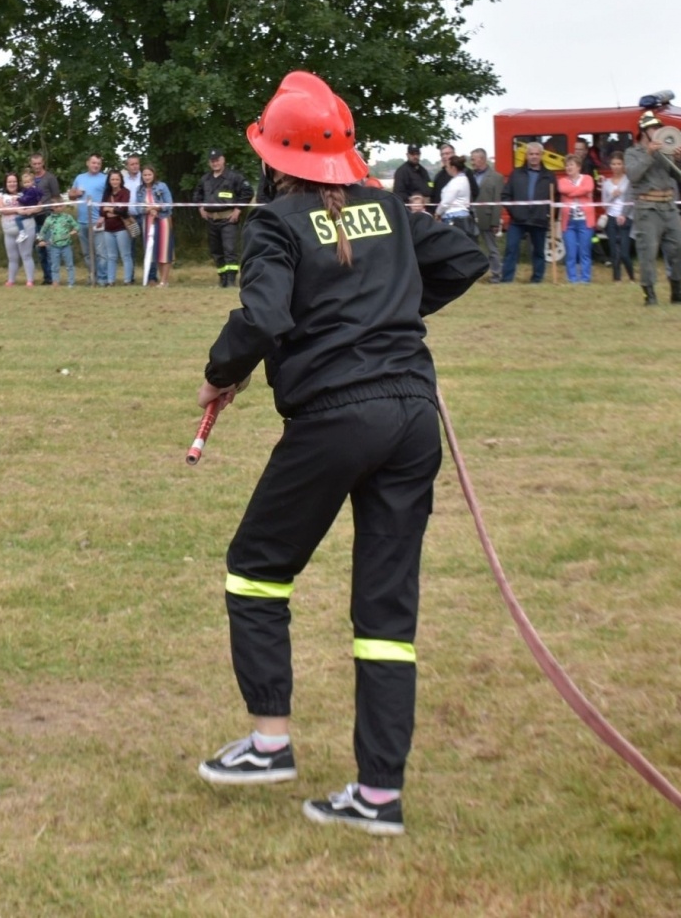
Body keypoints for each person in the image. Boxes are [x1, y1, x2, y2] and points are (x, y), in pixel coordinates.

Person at [194, 71, 486, 836]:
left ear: (273, 155)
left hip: (336, 417)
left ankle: (269, 744)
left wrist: (219, 374)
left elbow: (261, 316)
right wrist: (387, 314)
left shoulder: (276, 221)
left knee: (255, 571)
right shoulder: (389, 207)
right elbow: (463, 260)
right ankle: (378, 794)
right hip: (413, 418)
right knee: (386, 611)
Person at [624, 112, 681, 306]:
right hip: (647, 208)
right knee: (648, 252)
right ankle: (650, 294)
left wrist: (678, 158)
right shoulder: (632, 153)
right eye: (653, 128)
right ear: (644, 132)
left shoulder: (666, 151)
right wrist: (649, 154)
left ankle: (677, 291)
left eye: (658, 127)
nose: (657, 131)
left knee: (680, 248)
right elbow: (633, 175)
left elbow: (679, 178)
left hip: (668, 205)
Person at [499, 138, 554, 283]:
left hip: (539, 219)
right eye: (531, 154)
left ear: (541, 155)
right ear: (526, 156)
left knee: (538, 252)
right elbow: (505, 195)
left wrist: (548, 215)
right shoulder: (516, 174)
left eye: (537, 154)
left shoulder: (549, 176)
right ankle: (506, 279)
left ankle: (537, 280)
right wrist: (514, 211)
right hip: (518, 220)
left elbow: (555, 200)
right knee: (511, 249)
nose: (534, 157)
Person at [198, 149, 253, 287]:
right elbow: (197, 195)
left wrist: (238, 210)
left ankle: (231, 281)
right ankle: (222, 279)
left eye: (217, 160)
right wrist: (200, 208)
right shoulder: (205, 179)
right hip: (211, 220)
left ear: (223, 160)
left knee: (230, 250)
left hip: (228, 219)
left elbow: (248, 192)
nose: (215, 163)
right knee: (216, 251)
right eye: (212, 161)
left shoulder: (234, 177)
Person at [556, 154, 597, 283]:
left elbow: (589, 188)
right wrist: (582, 191)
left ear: (578, 167)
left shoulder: (588, 178)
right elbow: (562, 189)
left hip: (585, 221)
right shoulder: (562, 181)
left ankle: (585, 279)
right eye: (567, 165)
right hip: (569, 223)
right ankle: (572, 279)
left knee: (585, 252)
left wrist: (571, 192)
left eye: (571, 165)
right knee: (571, 252)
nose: (568, 167)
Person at [467, 148, 504, 281]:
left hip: (487, 218)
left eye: (473, 159)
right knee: (473, 248)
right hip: (470, 218)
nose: (471, 162)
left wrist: (495, 222)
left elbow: (497, 201)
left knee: (492, 248)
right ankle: (474, 274)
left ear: (482, 159)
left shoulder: (497, 177)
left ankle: (496, 273)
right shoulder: (468, 176)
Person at [95, 168, 135, 285]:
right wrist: (110, 211)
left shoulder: (125, 192)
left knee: (125, 255)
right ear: (109, 180)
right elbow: (101, 211)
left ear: (121, 180)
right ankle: (111, 280)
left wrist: (110, 209)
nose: (115, 181)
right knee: (111, 256)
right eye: (112, 179)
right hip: (108, 228)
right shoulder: (106, 193)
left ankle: (127, 280)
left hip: (122, 228)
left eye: (117, 179)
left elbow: (123, 210)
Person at [0, 173, 36, 286]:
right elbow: (2, 210)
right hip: (8, 230)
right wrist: (17, 210)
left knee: (26, 255)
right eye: (9, 181)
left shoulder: (25, 192)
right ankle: (11, 280)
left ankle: (30, 280)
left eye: (14, 181)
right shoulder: (1, 195)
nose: (12, 184)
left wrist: (31, 210)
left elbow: (37, 205)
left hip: (25, 227)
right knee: (12, 257)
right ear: (6, 183)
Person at [600, 151, 634, 282]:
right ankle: (616, 278)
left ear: (623, 165)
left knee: (624, 253)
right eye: (613, 164)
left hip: (625, 217)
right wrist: (612, 195)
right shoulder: (607, 183)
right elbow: (604, 203)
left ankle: (631, 277)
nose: (616, 166)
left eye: (619, 164)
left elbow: (631, 200)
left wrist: (624, 215)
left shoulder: (628, 181)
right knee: (614, 251)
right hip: (611, 218)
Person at [69, 154, 109, 266]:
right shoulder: (79, 178)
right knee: (87, 252)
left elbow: (109, 199)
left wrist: (104, 216)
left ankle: (102, 279)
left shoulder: (105, 178)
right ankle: (92, 277)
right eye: (94, 162)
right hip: (82, 221)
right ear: (87, 163)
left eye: (98, 163)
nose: (96, 165)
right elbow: (71, 196)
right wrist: (75, 193)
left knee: (101, 252)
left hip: (98, 220)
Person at [138, 165, 174, 286]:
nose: (147, 177)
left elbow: (169, 204)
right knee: (155, 251)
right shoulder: (140, 190)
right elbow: (138, 208)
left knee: (164, 250)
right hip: (148, 222)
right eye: (145, 175)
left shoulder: (162, 186)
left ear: (154, 175)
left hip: (162, 220)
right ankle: (159, 278)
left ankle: (164, 280)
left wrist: (157, 207)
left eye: (149, 174)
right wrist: (147, 210)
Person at [39, 197, 79, 286]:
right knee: (54, 265)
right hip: (54, 246)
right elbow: (43, 231)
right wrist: (41, 240)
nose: (59, 208)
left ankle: (71, 283)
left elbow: (76, 226)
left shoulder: (67, 217)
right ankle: (55, 282)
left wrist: (74, 231)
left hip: (66, 245)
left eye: (60, 206)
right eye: (56, 207)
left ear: (63, 206)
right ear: (52, 208)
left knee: (69, 265)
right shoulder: (49, 219)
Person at [434, 155, 473, 234]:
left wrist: (437, 213)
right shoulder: (463, 179)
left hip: (454, 218)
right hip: (461, 216)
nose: (446, 169)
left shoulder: (456, 182)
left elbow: (446, 202)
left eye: (447, 167)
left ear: (453, 168)